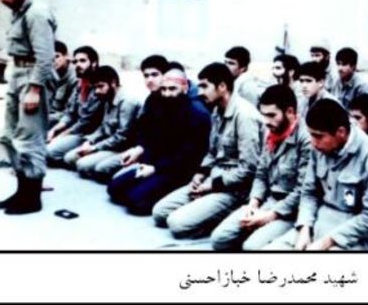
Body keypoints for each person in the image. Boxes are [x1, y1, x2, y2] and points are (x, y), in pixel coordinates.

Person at [152, 62, 263, 237]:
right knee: (160, 212)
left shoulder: (244, 115)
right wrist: (200, 174)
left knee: (176, 223)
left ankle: (225, 215)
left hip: (234, 188)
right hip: (212, 179)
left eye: (204, 86)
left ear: (222, 87)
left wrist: (211, 186)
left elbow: (248, 169)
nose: (200, 92)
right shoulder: (217, 111)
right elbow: (212, 152)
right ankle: (205, 210)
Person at [265, 99, 368, 250]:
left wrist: (327, 242)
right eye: (311, 135)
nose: (313, 143)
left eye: (318, 136)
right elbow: (309, 193)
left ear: (341, 132)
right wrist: (305, 228)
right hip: (316, 222)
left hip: (350, 235)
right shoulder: (320, 148)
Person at [211, 85, 312, 250]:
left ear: (290, 112)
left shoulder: (306, 140)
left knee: (251, 247)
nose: (266, 121)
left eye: (271, 115)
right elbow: (261, 174)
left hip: (290, 211)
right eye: (263, 115)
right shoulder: (271, 132)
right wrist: (254, 203)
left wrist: (269, 216)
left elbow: (302, 191)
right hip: (267, 201)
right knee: (219, 239)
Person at [0, 0, 56, 215]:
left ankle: (32, 197)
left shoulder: (37, 13)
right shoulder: (19, 11)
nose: (0, 0)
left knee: (30, 139)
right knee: (11, 136)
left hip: (32, 77)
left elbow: (45, 57)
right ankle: (21, 190)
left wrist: (34, 89)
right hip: (17, 75)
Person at [107, 68, 211, 215]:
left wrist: (156, 168)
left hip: (181, 169)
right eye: (164, 89)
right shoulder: (161, 105)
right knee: (114, 189)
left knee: (135, 201)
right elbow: (153, 139)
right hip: (158, 164)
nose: (167, 94)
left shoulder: (197, 113)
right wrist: (143, 156)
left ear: (185, 87)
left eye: (172, 89)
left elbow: (188, 155)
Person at [63, 66, 140, 181]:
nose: (97, 91)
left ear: (113, 83)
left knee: (84, 165)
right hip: (108, 144)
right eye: (95, 87)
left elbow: (121, 137)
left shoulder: (127, 102)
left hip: (122, 148)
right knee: (69, 158)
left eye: (100, 86)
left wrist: (94, 148)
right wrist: (89, 141)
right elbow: (103, 128)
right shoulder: (107, 97)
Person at [46, 46, 103, 164]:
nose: (77, 65)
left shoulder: (99, 86)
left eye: (82, 61)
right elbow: (70, 113)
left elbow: (85, 123)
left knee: (49, 152)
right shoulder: (80, 84)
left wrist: (61, 136)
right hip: (77, 130)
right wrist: (55, 130)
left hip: (89, 133)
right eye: (75, 62)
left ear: (94, 63)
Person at [47, 41, 78, 128]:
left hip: (62, 121)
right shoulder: (48, 74)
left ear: (66, 56)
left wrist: (47, 118)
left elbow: (71, 112)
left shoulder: (74, 78)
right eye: (50, 58)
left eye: (57, 56)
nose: (54, 61)